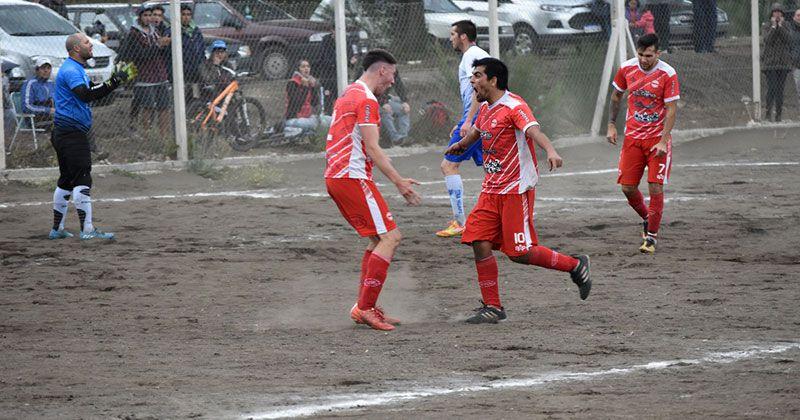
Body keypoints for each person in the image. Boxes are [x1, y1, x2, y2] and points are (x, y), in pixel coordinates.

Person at [444, 57, 591, 324]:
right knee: (479, 241)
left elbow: (533, 130)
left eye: (477, 75)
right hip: (491, 189)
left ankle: (575, 264)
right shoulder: (486, 107)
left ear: (493, 80)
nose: (472, 80)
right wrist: (461, 145)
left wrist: (550, 150)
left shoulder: (515, 106)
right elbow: (477, 132)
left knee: (520, 253)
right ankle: (493, 306)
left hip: (515, 189)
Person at [324, 49, 421, 331]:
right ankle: (365, 308)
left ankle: (364, 305)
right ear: (382, 71)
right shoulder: (366, 100)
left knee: (376, 239)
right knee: (391, 237)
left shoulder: (348, 93)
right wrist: (399, 182)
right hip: (351, 177)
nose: (392, 81)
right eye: (392, 75)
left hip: (339, 176)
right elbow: (373, 148)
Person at [49, 33, 134, 240]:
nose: (91, 45)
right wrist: (113, 82)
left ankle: (57, 229)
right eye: (87, 42)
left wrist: (113, 84)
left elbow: (90, 95)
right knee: (82, 178)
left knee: (67, 180)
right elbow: (86, 94)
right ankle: (87, 230)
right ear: (76, 48)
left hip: (65, 131)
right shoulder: (71, 70)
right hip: (71, 133)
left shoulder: (76, 68)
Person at [606, 33, 680, 254]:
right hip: (633, 138)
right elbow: (617, 96)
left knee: (655, 186)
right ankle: (649, 218)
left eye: (649, 55)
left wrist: (663, 141)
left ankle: (651, 238)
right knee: (627, 187)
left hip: (657, 141)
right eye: (640, 54)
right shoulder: (627, 68)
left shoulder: (668, 74)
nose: (644, 59)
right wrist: (611, 124)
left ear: (658, 53)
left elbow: (672, 109)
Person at [437, 20, 490, 238]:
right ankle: (497, 218)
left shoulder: (472, 56)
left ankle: (459, 221)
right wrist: (463, 119)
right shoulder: (475, 54)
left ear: (463, 37)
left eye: (452, 34)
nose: (450, 38)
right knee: (492, 168)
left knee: (449, 165)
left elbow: (480, 87)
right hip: (484, 115)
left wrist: (468, 121)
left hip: (479, 116)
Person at [127, 4, 171, 138]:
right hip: (144, 76)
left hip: (160, 74)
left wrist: (165, 45)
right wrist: (158, 45)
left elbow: (162, 53)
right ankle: (146, 135)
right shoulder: (134, 34)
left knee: (164, 107)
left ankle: (164, 135)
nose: (148, 18)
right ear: (139, 17)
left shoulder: (155, 32)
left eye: (150, 15)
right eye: (145, 15)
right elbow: (140, 55)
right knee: (148, 106)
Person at [762, 3, 792, 122]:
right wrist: (774, 27)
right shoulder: (766, 25)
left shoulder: (787, 25)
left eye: (779, 12)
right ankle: (768, 113)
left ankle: (778, 115)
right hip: (770, 63)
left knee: (780, 90)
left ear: (782, 14)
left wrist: (781, 26)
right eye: (775, 12)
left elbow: (789, 39)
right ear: (772, 13)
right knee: (772, 88)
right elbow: (767, 40)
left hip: (783, 63)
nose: (777, 14)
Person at [284, 59, 331, 135]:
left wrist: (314, 87)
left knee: (333, 120)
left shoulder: (309, 82)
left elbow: (315, 103)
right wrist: (305, 88)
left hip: (309, 117)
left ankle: (304, 131)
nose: (306, 68)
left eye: (308, 66)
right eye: (303, 67)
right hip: (295, 119)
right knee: (316, 123)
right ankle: (289, 128)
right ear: (298, 69)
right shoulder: (292, 83)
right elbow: (295, 105)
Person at [180, 4, 206, 98]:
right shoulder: (173, 31)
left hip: (197, 68)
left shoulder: (196, 30)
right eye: (183, 14)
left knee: (198, 95)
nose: (186, 17)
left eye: (188, 14)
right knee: (185, 96)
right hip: (183, 70)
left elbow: (202, 48)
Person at [21, 57, 55, 125]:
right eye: (43, 68)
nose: (46, 70)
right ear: (37, 70)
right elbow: (26, 107)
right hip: (35, 119)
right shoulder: (30, 84)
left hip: (52, 118)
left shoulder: (51, 83)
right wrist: (47, 110)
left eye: (48, 68)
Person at [790, 8, 800, 108]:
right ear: (794, 17)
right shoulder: (790, 30)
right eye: (798, 15)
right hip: (797, 64)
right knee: (798, 88)